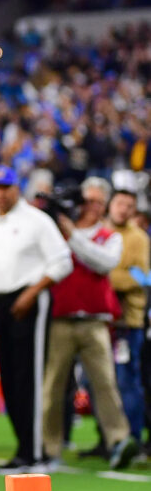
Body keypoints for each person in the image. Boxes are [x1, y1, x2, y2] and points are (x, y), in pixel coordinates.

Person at [0, 166, 72, 474]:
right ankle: (23, 450)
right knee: (9, 378)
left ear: (17, 188)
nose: (1, 193)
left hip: (29, 299)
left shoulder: (37, 220)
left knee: (28, 376)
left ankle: (35, 455)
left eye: (6, 187)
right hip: (2, 303)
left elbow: (61, 262)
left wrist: (30, 294)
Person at [39, 177, 138, 470]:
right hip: (60, 318)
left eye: (97, 201)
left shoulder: (109, 236)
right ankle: (49, 447)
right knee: (53, 386)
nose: (92, 207)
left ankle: (119, 440)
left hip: (96, 321)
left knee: (105, 384)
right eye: (88, 200)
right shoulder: (56, 234)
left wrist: (72, 236)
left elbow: (103, 263)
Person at [106, 186, 149, 448]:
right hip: (102, 320)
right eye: (120, 203)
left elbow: (137, 277)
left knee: (127, 380)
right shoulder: (101, 232)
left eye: (129, 205)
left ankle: (133, 438)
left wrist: (100, 276)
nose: (123, 209)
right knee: (97, 382)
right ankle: (109, 438)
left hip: (127, 321)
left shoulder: (139, 238)